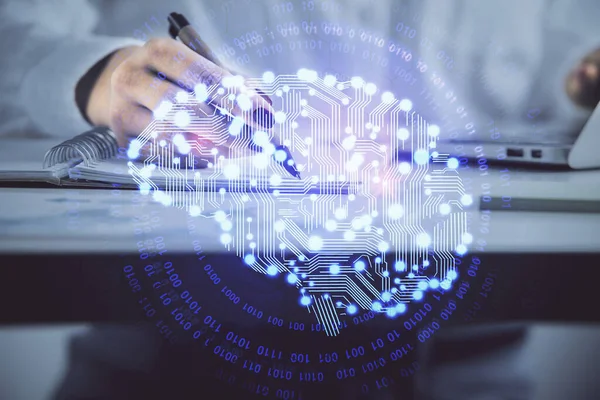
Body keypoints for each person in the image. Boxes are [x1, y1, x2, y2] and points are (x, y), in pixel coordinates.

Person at [1, 0, 599, 399]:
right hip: (158, 370)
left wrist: (582, 78)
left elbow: (570, 56)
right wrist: (97, 76)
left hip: (475, 372)